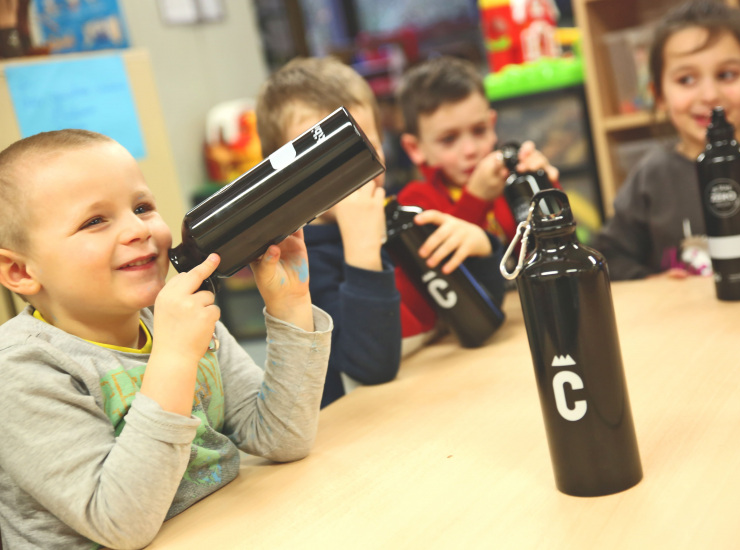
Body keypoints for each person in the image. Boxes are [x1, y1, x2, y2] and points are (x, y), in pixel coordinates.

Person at [0, 129, 333, 549]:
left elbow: (281, 437)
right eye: (94, 221)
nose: (138, 229)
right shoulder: (19, 369)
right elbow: (120, 523)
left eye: (142, 207)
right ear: (20, 273)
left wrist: (290, 307)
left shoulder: (176, 320)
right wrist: (174, 358)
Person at [256, 56, 507, 407]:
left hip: (428, 400)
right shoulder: (295, 266)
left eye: (361, 147)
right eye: (322, 159)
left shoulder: (397, 218)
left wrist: (482, 248)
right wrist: (362, 250)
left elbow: (479, 318)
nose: (349, 172)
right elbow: (370, 368)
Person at [591, 0, 740, 280]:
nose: (710, 95)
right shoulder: (651, 176)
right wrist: (652, 282)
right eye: (686, 79)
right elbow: (610, 257)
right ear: (659, 94)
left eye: (727, 75)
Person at [396, 55, 560, 245]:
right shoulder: (415, 204)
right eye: (448, 139)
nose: (470, 150)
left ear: (492, 125)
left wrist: (545, 187)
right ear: (414, 148)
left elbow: (553, 243)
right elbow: (448, 266)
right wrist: (476, 200)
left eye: (479, 130)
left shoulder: (511, 181)